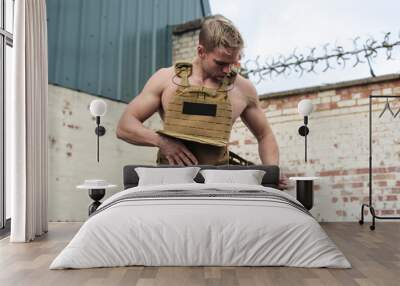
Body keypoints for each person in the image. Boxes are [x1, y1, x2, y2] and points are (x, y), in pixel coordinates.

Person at [116, 15, 288, 190]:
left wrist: (273, 170)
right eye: (220, 63)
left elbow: (264, 135)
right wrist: (162, 142)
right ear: (201, 51)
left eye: (233, 63)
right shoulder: (166, 79)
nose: (227, 70)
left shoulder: (243, 89)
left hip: (219, 185)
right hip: (169, 182)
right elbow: (125, 126)